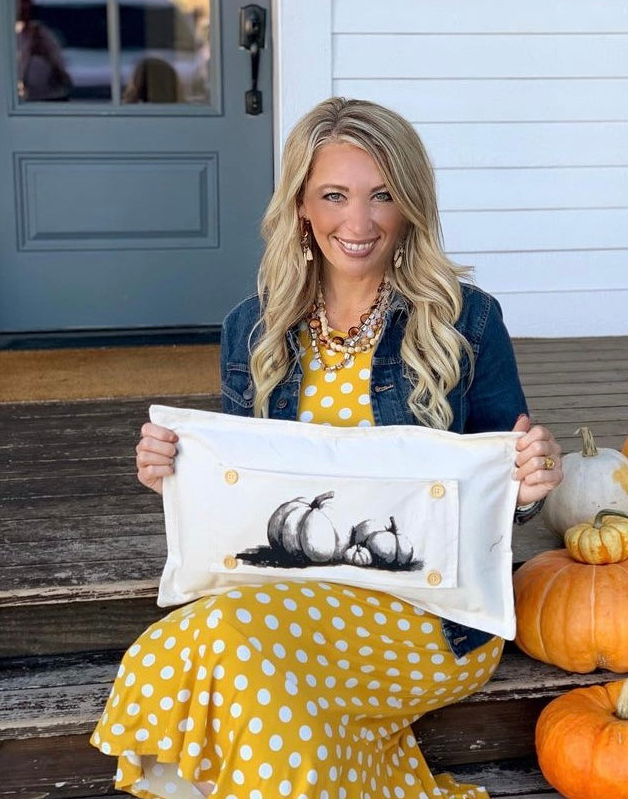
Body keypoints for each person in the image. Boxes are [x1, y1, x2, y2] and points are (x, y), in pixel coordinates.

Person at [92, 97, 563, 799]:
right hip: (286, 598)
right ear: (302, 207)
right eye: (335, 196)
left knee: (221, 640)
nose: (359, 222)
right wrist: (179, 475)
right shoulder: (252, 328)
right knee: (212, 650)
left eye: (382, 196)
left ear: (410, 204)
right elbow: (245, 488)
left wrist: (529, 484)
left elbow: (505, 480)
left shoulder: (467, 320)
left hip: (427, 615)